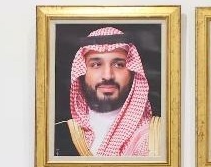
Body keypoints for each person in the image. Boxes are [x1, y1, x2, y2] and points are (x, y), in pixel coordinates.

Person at [54, 27, 161, 157]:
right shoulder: (57, 135)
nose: (108, 76)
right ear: (82, 73)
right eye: (96, 64)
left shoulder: (159, 135)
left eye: (119, 65)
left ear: (133, 73)